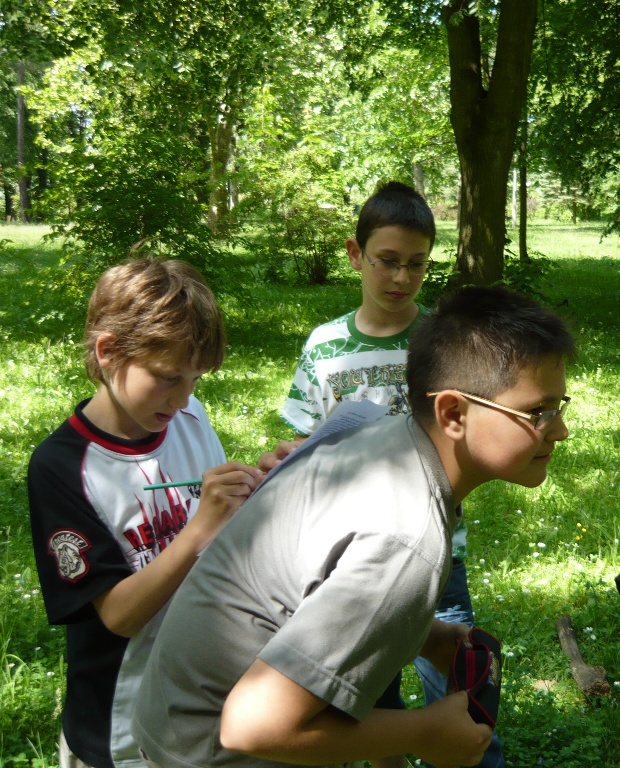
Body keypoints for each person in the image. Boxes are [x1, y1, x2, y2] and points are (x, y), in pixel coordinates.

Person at [131, 285, 575, 768]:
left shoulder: (374, 433)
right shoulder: (406, 539)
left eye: (560, 406)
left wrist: (422, 635)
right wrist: (426, 732)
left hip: (171, 726)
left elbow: (321, 587)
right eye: (538, 412)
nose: (560, 430)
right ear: (452, 414)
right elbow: (254, 725)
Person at [266, 181, 504, 767]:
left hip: (435, 549)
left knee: (460, 685)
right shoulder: (325, 347)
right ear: (356, 254)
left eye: (416, 264)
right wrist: (289, 457)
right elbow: (306, 442)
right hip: (352, 556)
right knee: (368, 698)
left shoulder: (442, 343)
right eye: (387, 261)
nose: (401, 278)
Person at [27, 259, 264, 768]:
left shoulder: (188, 418)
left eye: (195, 380)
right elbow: (118, 615)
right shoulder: (64, 467)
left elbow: (226, 538)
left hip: (200, 698)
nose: (183, 398)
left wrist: (260, 486)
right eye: (167, 378)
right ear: (108, 351)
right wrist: (198, 529)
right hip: (122, 726)